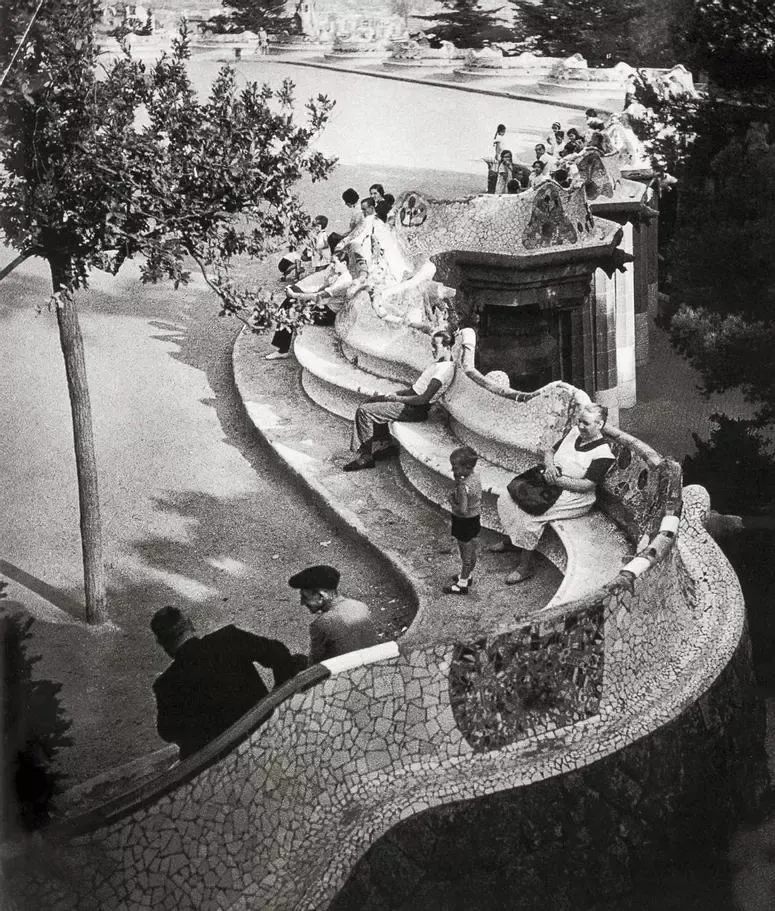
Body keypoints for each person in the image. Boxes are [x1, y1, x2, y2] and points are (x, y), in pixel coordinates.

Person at [151, 606, 304, 760]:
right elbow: (279, 654)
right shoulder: (228, 638)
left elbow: (168, 733)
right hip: (263, 733)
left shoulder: (165, 685)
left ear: (163, 645)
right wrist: (274, 698)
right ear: (190, 624)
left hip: (221, 760)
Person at [491, 404, 615, 584]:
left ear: (600, 424)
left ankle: (525, 567)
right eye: (579, 421)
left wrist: (556, 480)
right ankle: (513, 541)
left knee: (531, 515)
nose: (580, 426)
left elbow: (587, 485)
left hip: (574, 496)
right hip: (549, 481)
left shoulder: (603, 453)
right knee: (507, 497)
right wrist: (550, 467)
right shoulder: (574, 433)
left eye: (586, 423)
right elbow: (550, 451)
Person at [344, 330, 455, 471]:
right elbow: (415, 389)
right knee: (371, 402)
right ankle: (385, 445)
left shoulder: (444, 370)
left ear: (447, 347)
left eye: (435, 346)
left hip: (415, 409)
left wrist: (397, 398)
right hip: (411, 400)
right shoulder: (439, 363)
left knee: (364, 411)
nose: (432, 349)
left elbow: (423, 399)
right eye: (432, 345)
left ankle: (366, 458)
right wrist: (394, 395)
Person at [288, 564, 379, 663]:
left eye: (305, 597)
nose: (302, 602)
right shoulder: (360, 606)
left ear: (321, 596)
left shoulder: (322, 623)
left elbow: (314, 662)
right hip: (371, 664)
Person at [443, 446, 482, 595]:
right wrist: (458, 479)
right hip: (475, 518)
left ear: (466, 467)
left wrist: (452, 503)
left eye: (455, 467)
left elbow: (463, 510)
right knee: (472, 550)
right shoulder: (475, 477)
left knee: (465, 554)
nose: (452, 470)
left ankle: (462, 584)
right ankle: (468, 575)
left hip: (463, 522)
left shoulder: (463, 487)